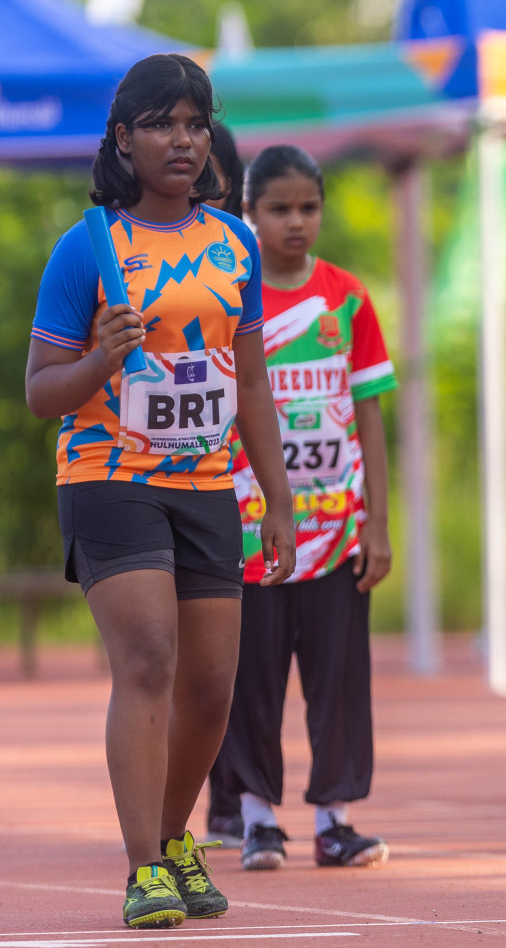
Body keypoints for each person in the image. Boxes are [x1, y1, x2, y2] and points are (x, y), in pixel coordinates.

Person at [25, 53, 295, 928]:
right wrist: (102, 357)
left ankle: (176, 835)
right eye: (162, 124)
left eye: (194, 123)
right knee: (149, 658)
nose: (182, 140)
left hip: (207, 481)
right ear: (123, 139)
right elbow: (40, 393)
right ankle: (144, 867)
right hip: (110, 477)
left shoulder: (234, 244)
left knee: (212, 685)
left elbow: (250, 382)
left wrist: (280, 499)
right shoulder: (87, 247)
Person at [206, 146, 397, 873]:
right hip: (251, 532)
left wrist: (378, 521)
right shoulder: (230, 299)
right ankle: (256, 819)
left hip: (337, 529)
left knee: (339, 681)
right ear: (248, 214)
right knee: (250, 678)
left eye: (308, 208)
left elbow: (369, 414)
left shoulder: (346, 299)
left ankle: (335, 820)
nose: (295, 222)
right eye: (279, 209)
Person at [202, 120, 247, 844]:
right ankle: (225, 804)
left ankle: (238, 799)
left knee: (224, 673)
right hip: (154, 474)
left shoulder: (238, 251)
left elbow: (259, 383)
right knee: (164, 658)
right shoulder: (106, 246)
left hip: (237, 484)